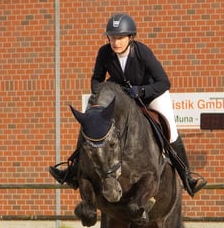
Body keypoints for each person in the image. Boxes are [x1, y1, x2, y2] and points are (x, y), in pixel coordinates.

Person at [49, 13, 207, 197]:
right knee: (91, 121)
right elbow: (97, 79)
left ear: (130, 37)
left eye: (120, 38)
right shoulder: (104, 53)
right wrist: (99, 99)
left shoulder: (143, 52)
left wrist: (142, 91)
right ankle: (73, 171)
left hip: (152, 95)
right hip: (123, 98)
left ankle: (187, 178)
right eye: (112, 37)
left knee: (171, 130)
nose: (115, 42)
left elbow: (164, 82)